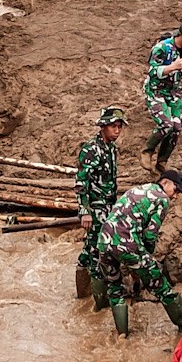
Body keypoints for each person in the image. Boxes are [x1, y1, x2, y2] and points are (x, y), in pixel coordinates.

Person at [93, 169, 182, 334]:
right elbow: (150, 234)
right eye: (176, 190)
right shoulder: (162, 199)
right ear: (165, 182)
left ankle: (122, 335)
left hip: (104, 241)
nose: (175, 196)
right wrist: (147, 258)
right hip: (127, 243)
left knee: (114, 287)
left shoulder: (139, 189)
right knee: (159, 283)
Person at [75, 105, 127, 308]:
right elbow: (81, 183)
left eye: (119, 127)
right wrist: (84, 211)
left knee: (89, 249)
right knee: (98, 252)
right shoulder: (91, 149)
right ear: (103, 127)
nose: (117, 130)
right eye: (114, 126)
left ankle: (82, 291)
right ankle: (99, 303)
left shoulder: (111, 149)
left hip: (108, 207)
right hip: (95, 209)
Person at [140, 18, 182, 173]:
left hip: (173, 92)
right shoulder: (161, 48)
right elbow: (152, 71)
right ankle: (147, 151)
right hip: (156, 91)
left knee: (176, 126)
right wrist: (171, 67)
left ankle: (162, 161)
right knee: (166, 124)